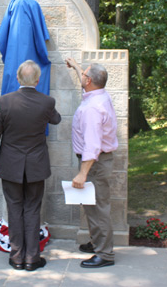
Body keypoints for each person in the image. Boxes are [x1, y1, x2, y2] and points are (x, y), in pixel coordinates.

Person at [0, 60, 61, 271]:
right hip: (36, 165)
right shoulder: (47, 102)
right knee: (32, 209)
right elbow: (56, 120)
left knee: (14, 209)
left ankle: (16, 257)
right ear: (38, 80)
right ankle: (32, 259)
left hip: (10, 164)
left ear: (18, 79)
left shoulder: (5, 101)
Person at [65, 57, 118, 268]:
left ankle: (105, 254)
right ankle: (98, 242)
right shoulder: (97, 95)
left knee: (97, 209)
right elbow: (86, 83)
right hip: (96, 162)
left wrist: (83, 174)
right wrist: (77, 67)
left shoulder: (92, 108)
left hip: (94, 163)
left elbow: (92, 145)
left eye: (85, 74)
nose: (83, 76)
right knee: (92, 207)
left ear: (89, 81)